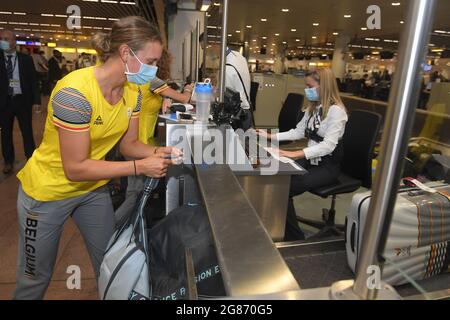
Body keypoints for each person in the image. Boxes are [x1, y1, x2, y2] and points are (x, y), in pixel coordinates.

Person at [14, 16, 181, 300]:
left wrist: (159, 152)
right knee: (35, 279)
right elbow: (75, 168)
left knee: (109, 261)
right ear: (126, 53)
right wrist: (140, 167)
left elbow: (129, 145)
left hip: (92, 190)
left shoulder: (133, 92)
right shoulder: (75, 93)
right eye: (151, 62)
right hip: (46, 193)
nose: (154, 70)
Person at [257, 68, 348, 241]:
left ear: (323, 86)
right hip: (310, 160)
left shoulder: (337, 111)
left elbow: (328, 146)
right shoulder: (313, 108)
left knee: (284, 190)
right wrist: (270, 136)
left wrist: (296, 154)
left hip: (327, 167)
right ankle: (279, 228)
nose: (307, 90)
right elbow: (298, 132)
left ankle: (295, 239)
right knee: (278, 181)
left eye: (310, 86)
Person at [0, 30, 40, 175]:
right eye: (1, 39)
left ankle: (31, 159)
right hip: (4, 102)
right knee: (5, 133)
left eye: (6, 39)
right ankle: (8, 161)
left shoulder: (25, 59)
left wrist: (37, 100)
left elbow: (33, 81)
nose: (2, 41)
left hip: (22, 100)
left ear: (14, 42)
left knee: (27, 131)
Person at [199, 33, 253, 130]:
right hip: (245, 112)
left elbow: (221, 98)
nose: (205, 53)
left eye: (205, 48)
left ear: (215, 44)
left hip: (237, 118)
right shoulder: (238, 56)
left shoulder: (226, 68)